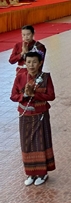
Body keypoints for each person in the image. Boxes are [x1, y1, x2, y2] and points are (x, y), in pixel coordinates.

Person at [10, 51, 55, 186]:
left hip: (40, 115)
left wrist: (34, 95)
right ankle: (31, 173)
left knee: (41, 142)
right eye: (28, 62)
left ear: (40, 63)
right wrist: (24, 95)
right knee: (27, 143)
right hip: (25, 116)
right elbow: (13, 96)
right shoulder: (20, 77)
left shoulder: (45, 77)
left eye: (34, 62)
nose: (31, 65)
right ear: (25, 63)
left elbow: (51, 96)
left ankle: (42, 173)